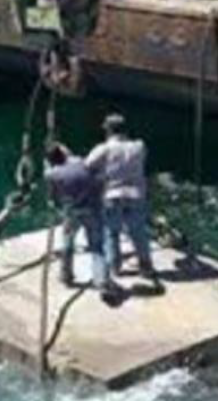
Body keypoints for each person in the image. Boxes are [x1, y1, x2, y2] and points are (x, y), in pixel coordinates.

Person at [85, 113, 156, 279]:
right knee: (138, 232)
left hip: (112, 194)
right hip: (136, 194)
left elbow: (87, 166)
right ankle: (145, 267)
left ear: (108, 130)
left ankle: (115, 267)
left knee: (112, 233)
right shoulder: (140, 145)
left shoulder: (104, 148)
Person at [44, 144, 113, 293]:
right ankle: (101, 281)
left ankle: (66, 275)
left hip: (71, 211)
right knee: (97, 247)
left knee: (68, 244)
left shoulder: (51, 174)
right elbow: (99, 178)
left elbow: (52, 198)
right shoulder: (82, 163)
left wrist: (58, 206)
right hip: (92, 208)